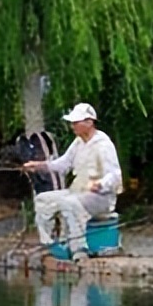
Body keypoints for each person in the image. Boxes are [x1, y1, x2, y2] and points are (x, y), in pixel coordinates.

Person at [22, 102, 123, 261]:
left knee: (70, 203)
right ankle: (49, 243)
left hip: (101, 197)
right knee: (42, 200)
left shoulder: (103, 144)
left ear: (89, 122)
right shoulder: (78, 142)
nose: (72, 126)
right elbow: (63, 164)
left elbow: (115, 174)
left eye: (76, 122)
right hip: (77, 191)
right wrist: (40, 166)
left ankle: (78, 249)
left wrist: (101, 184)